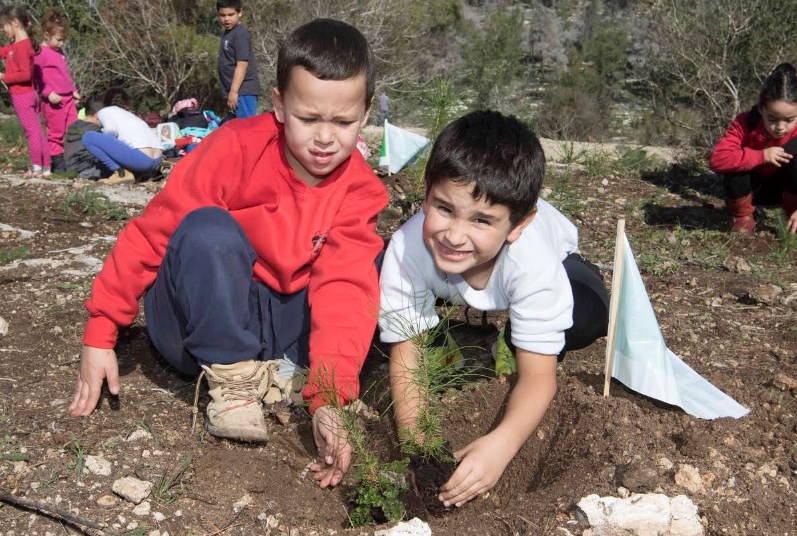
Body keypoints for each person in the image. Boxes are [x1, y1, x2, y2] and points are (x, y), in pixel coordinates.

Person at [68, 18, 388, 490]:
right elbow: (154, 233)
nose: (325, 138)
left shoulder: (360, 189)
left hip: (274, 330)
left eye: (342, 122)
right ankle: (235, 379)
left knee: (371, 265)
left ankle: (291, 377)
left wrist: (331, 398)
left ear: (364, 116)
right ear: (279, 105)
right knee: (208, 229)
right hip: (197, 329)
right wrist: (100, 333)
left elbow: (343, 287)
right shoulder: (237, 145)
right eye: (308, 118)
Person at [379, 110, 609, 508]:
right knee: (377, 289)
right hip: (454, 280)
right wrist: (417, 448)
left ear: (517, 225)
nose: (454, 234)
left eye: (482, 220)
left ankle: (513, 339)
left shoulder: (532, 259)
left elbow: (540, 378)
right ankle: (455, 342)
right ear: (427, 190)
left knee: (587, 313)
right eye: (444, 208)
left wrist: (500, 447)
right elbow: (405, 356)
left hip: (561, 267)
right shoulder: (407, 249)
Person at [709, 62, 797, 234]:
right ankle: (743, 217)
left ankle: (791, 216)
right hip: (753, 190)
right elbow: (717, 160)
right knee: (735, 164)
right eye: (772, 119)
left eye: (789, 120)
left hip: (785, 190)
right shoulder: (747, 123)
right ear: (761, 108)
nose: (780, 127)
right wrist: (761, 156)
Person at [0, 5, 50, 177]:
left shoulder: (22, 46)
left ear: (14, 23)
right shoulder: (17, 45)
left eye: (4, 25)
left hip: (22, 95)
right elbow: (4, 52)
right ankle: (46, 168)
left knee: (32, 132)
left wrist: (3, 77)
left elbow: (25, 74)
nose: (3, 29)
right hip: (29, 95)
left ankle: (37, 167)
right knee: (37, 130)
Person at [33, 7, 80, 174]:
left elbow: (64, 74)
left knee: (74, 128)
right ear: (47, 35)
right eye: (59, 39)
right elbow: (37, 78)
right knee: (56, 133)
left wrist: (73, 89)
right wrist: (48, 93)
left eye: (62, 40)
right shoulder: (41, 53)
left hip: (68, 99)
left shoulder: (59, 52)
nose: (61, 43)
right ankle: (58, 165)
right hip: (54, 100)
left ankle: (73, 160)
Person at [81, 95, 163, 185]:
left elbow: (111, 129)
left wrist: (104, 140)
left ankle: (120, 173)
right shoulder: (126, 114)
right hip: (157, 160)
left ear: (96, 115)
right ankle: (144, 174)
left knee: (88, 137)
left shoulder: (103, 111)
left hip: (141, 159)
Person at [217, 0, 260, 120]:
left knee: (245, 128)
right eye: (223, 15)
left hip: (243, 92)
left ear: (240, 12)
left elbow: (242, 65)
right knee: (234, 130)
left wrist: (234, 91)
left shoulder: (240, 34)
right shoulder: (228, 33)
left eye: (231, 15)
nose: (226, 19)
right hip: (234, 93)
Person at [64, 97, 105, 179]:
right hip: (87, 170)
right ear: (98, 115)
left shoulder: (74, 126)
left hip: (70, 168)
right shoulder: (94, 131)